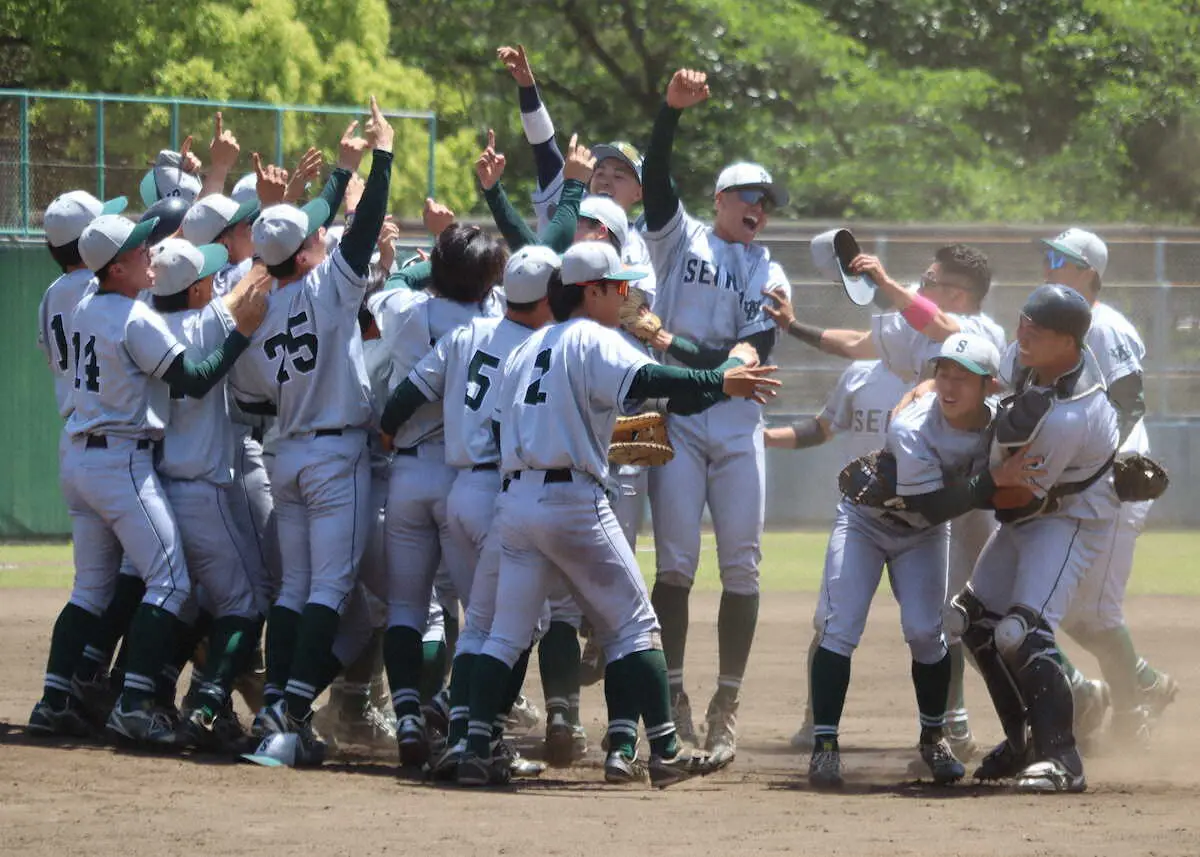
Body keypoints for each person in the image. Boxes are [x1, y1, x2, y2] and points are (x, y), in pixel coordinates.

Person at [457, 241, 779, 788]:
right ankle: (667, 750)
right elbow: (654, 382)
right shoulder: (594, 337)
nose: (627, 294)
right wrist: (721, 377)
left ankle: (472, 747)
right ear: (593, 291)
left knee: (505, 634)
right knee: (636, 626)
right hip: (571, 501)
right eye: (619, 285)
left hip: (514, 501)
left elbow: (514, 422)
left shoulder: (527, 347)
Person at [29, 212, 266, 744]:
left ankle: (53, 700)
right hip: (121, 460)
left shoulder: (84, 303)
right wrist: (241, 335)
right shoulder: (133, 317)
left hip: (80, 455)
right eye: (138, 251)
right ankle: (135, 702)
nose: (148, 256)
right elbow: (194, 380)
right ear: (114, 268)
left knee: (90, 588)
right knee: (172, 583)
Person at [766, 242, 1006, 757]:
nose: (920, 283)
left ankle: (967, 720)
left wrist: (887, 284)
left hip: (960, 498)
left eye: (931, 278)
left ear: (958, 293)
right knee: (858, 617)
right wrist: (794, 328)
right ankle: (831, 726)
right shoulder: (905, 334)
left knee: (961, 614)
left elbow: (944, 328)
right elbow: (858, 342)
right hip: (909, 492)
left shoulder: (980, 333)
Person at [228, 97, 391, 766]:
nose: (325, 237)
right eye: (314, 235)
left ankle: (276, 705)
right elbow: (366, 227)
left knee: (295, 590)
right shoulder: (327, 287)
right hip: (332, 456)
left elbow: (248, 393)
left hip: (285, 452)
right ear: (305, 250)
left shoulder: (252, 303)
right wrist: (382, 157)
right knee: (329, 589)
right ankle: (290, 715)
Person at [638, 68, 791, 760]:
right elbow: (655, 175)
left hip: (735, 428)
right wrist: (669, 114)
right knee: (674, 564)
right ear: (721, 197)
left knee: (744, 567)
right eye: (749, 194)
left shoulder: (771, 273)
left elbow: (745, 360)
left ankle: (728, 697)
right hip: (673, 419)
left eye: (768, 199)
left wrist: (671, 341)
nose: (760, 206)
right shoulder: (682, 239)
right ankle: (671, 689)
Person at [378, 245, 562, 777]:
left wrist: (389, 434)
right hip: (493, 492)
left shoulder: (463, 335)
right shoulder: (541, 346)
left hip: (439, 481)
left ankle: (427, 716)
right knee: (521, 622)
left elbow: (406, 393)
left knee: (441, 616)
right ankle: (471, 723)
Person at [805, 334, 1005, 789]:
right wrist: (995, 481)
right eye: (944, 374)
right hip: (867, 524)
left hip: (923, 535)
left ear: (989, 386)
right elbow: (933, 505)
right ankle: (825, 746)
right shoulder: (912, 427)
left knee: (924, 631)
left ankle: (933, 738)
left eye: (964, 377)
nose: (950, 386)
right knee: (840, 625)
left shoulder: (1001, 423)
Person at [948, 284, 1119, 793]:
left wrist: (938, 496)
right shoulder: (1026, 358)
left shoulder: (1072, 413)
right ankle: (1022, 740)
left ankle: (1063, 759)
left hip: (1070, 518)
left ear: (1067, 343)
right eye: (1023, 320)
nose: (1022, 334)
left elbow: (1015, 498)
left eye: (1037, 330)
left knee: (1020, 632)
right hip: (1032, 508)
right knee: (969, 620)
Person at [369, 220, 505, 768]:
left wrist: (431, 261)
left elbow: (395, 283)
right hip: (461, 476)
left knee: (406, 607)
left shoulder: (405, 311)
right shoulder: (494, 323)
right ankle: (462, 718)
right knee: (483, 617)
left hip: (406, 472)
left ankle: (407, 715)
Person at [1037, 228, 1177, 742]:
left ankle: (1130, 713)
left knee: (1094, 611)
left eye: (1061, 259)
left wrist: (1094, 465)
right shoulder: (1058, 324)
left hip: (1116, 480)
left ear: (1089, 274)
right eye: (1048, 256)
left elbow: (1129, 401)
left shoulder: (1105, 325)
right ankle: (1147, 684)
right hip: (1084, 478)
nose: (1048, 265)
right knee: (1070, 608)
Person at [146, 238, 266, 751]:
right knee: (249, 599)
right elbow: (251, 286)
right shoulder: (204, 324)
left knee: (192, 601)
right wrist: (268, 245)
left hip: (162, 485)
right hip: (203, 490)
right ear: (196, 289)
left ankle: (151, 695)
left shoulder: (146, 325)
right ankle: (208, 703)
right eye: (206, 279)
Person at [762, 360, 910, 750]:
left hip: (925, 521)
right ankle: (816, 719)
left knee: (940, 624)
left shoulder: (943, 373)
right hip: (863, 517)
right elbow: (821, 427)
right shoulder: (861, 373)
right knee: (829, 621)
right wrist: (764, 437)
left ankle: (950, 725)